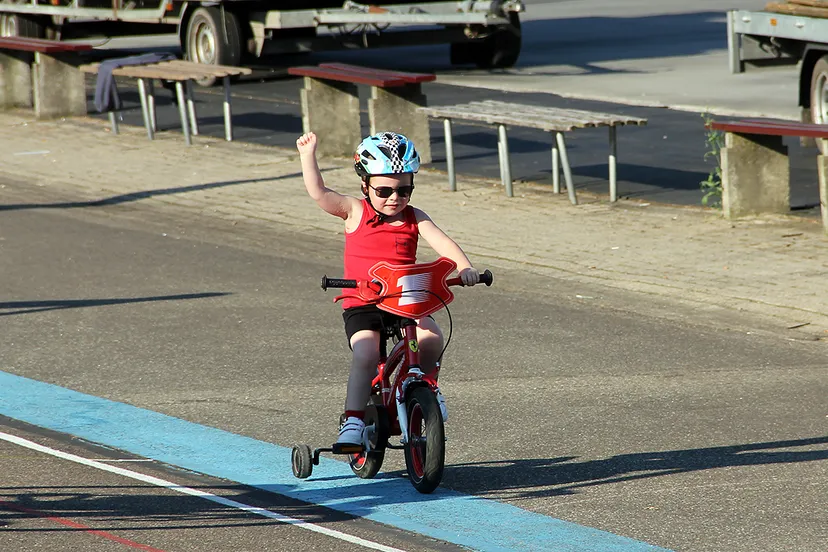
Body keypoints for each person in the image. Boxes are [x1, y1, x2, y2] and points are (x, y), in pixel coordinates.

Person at [296, 130, 480, 447]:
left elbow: (444, 244)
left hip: (406, 300)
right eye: (383, 190)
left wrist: (464, 268)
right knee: (366, 352)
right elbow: (319, 193)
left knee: (432, 338)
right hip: (362, 301)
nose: (394, 198)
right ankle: (353, 419)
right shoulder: (355, 211)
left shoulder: (415, 217)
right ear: (364, 185)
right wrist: (307, 155)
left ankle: (426, 386)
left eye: (404, 190)